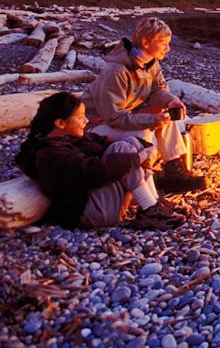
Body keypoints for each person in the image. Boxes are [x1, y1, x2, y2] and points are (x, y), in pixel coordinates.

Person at [15, 92, 185, 230]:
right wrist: (139, 157)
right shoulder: (49, 154)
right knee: (123, 151)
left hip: (99, 202)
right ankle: (150, 210)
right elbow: (96, 171)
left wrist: (147, 148)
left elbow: (104, 142)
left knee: (130, 143)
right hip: (89, 212)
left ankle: (153, 205)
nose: (86, 120)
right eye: (80, 117)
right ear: (60, 123)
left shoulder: (72, 138)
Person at [81, 16, 207, 193]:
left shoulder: (151, 63)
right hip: (96, 124)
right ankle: (144, 181)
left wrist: (170, 100)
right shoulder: (116, 71)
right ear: (147, 42)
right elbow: (113, 117)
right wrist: (151, 120)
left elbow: (156, 89)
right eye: (163, 43)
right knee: (142, 132)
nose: (168, 48)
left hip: (126, 114)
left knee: (169, 118)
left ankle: (173, 172)